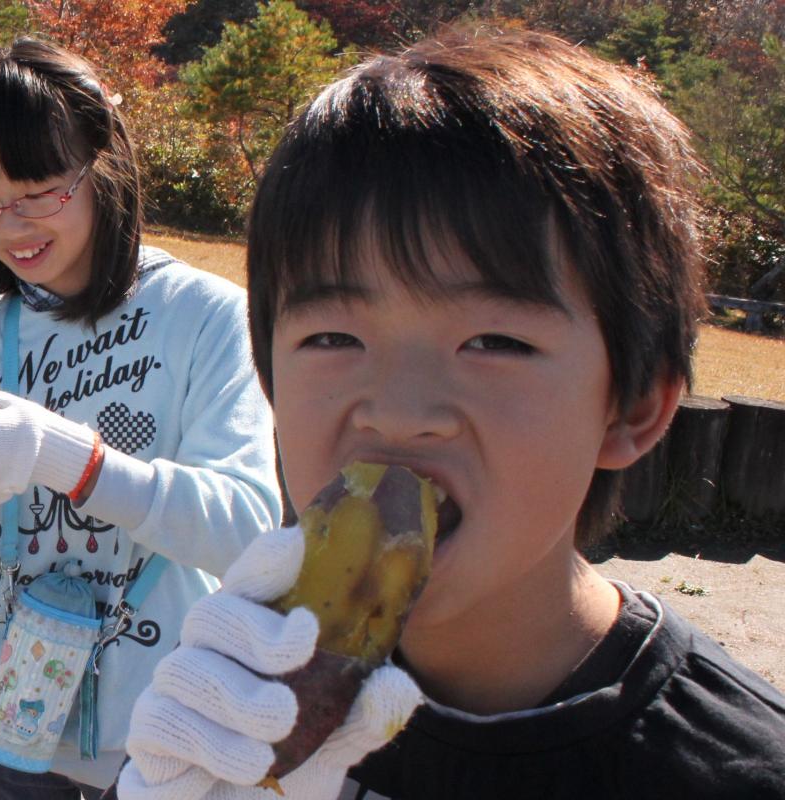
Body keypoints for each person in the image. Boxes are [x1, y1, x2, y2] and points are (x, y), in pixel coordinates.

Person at [116, 26, 785, 800]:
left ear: (632, 406)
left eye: (493, 340)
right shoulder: (230, 701)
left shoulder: (744, 774)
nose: (399, 413)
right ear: (269, 380)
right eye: (334, 336)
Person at [0, 37, 282, 799]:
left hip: (162, 726)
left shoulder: (207, 316)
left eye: (40, 188)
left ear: (100, 160)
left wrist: (68, 458)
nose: (11, 226)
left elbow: (247, 528)